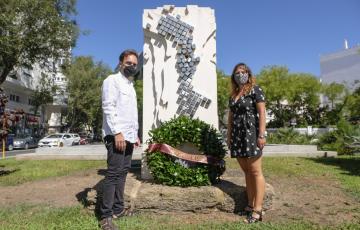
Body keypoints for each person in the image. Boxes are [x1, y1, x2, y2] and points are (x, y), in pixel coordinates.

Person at [100, 49, 140, 230]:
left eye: (134, 64)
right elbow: (108, 107)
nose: (132, 66)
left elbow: (131, 114)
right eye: (129, 63)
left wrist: (135, 134)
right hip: (117, 136)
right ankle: (105, 216)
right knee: (113, 174)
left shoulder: (130, 86)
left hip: (129, 137)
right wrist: (117, 133)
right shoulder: (111, 81)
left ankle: (118, 208)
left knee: (123, 173)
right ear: (120, 63)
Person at [227, 63, 266, 224]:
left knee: (256, 171)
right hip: (237, 135)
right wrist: (229, 136)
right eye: (237, 73)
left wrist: (261, 134)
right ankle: (250, 205)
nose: (240, 75)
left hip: (251, 134)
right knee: (247, 172)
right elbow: (230, 117)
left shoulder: (255, 90)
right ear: (233, 77)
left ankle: (258, 210)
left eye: (243, 72)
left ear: (248, 74)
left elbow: (262, 112)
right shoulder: (233, 94)